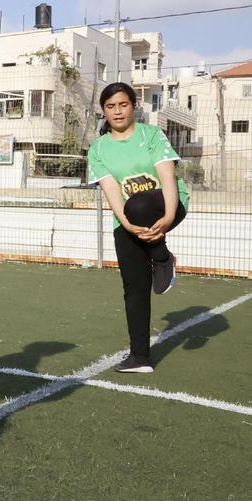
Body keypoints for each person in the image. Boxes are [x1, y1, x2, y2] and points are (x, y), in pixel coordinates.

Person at [86, 81, 189, 374]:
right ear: (103, 111)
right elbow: (112, 191)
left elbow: (168, 178)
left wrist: (169, 217)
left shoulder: (152, 135)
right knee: (134, 287)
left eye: (123, 104)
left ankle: (162, 257)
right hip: (128, 218)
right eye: (110, 106)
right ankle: (140, 357)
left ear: (133, 106)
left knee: (140, 205)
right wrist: (129, 227)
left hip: (166, 204)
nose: (117, 111)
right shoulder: (98, 149)